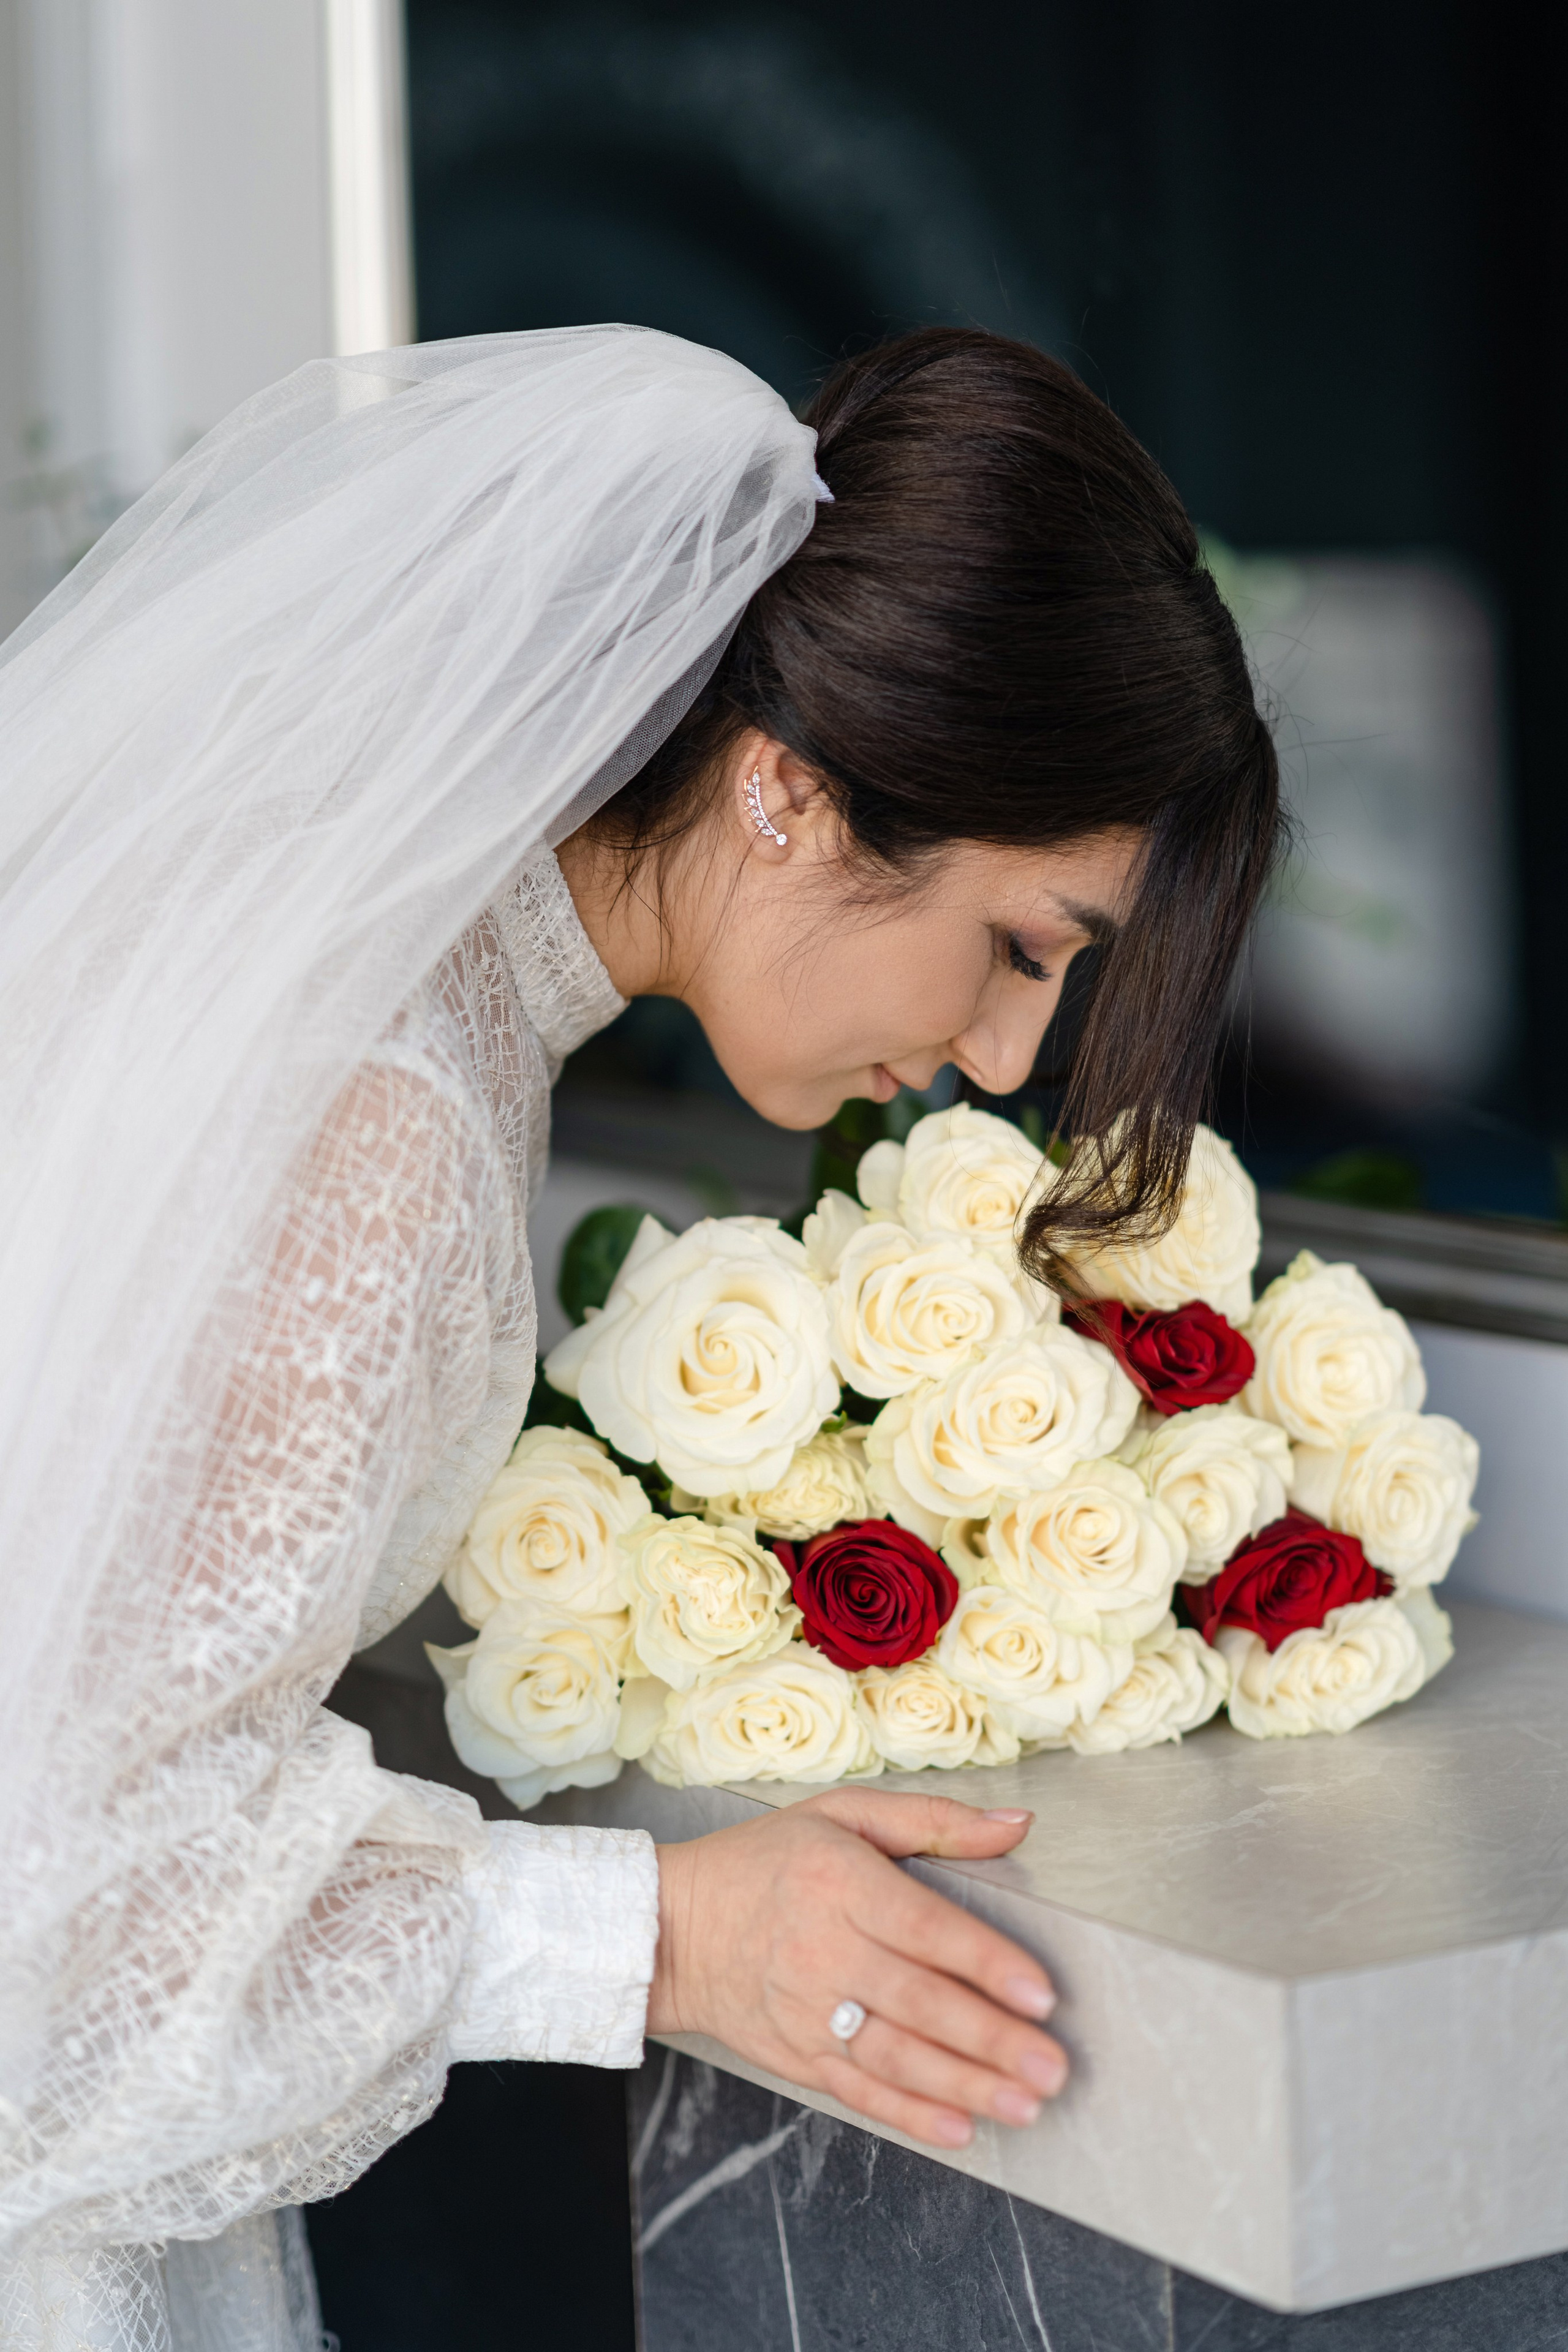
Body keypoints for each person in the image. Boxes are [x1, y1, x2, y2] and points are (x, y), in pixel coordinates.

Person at [0, 323, 1278, 2351]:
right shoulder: (377, 1108)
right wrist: (662, 1932)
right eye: (1025, 947)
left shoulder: (407, 988)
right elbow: (52, 1953)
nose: (1007, 1054)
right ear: (788, 787)